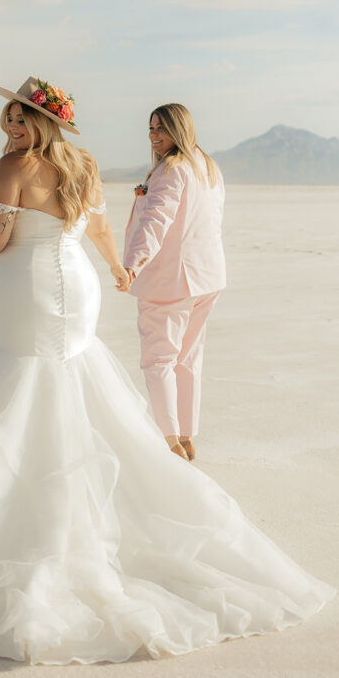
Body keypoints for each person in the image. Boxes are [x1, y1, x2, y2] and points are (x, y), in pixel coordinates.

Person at [0, 76, 333, 665]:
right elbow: (95, 228)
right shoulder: (85, 163)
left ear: (43, 122)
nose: (12, 130)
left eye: (21, 120)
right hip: (79, 284)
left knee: (22, 379)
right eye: (8, 122)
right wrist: (119, 271)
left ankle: (19, 501)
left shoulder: (10, 167)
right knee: (68, 377)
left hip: (30, 287)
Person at [123, 104, 225, 462]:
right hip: (208, 277)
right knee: (187, 359)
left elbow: (156, 220)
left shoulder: (172, 169)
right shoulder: (207, 165)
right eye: (150, 128)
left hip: (172, 281)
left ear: (179, 130)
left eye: (161, 129)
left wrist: (133, 264)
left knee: (159, 361)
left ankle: (170, 442)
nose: (153, 136)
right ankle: (186, 435)